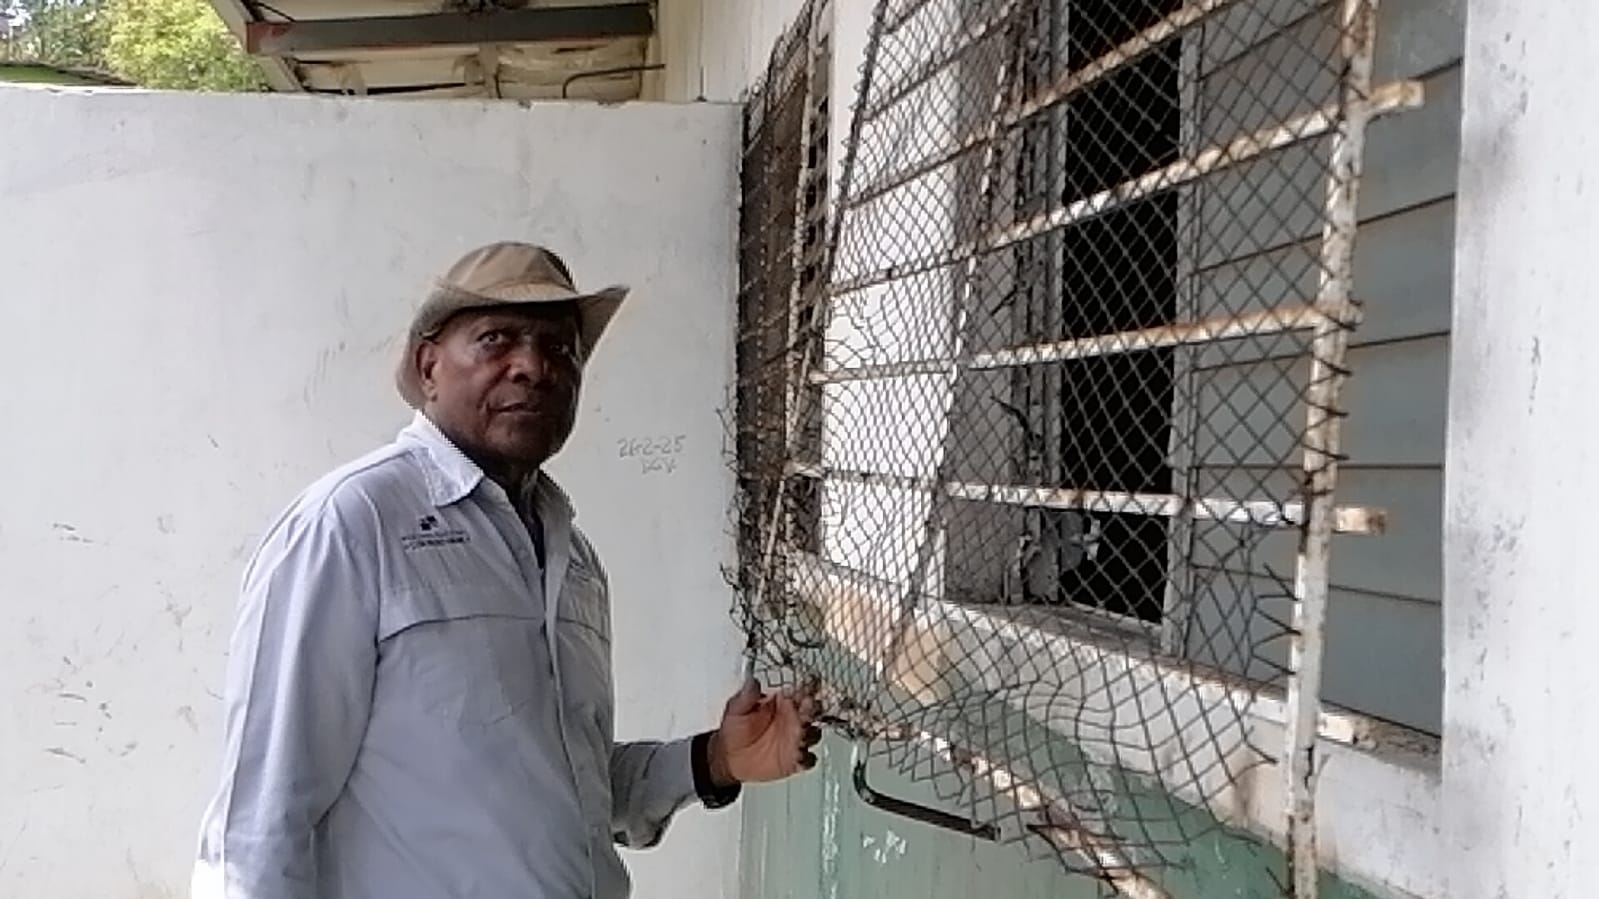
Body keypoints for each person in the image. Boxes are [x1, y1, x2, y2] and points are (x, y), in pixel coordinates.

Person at [192, 242, 820, 899]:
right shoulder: (352, 524)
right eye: (496, 339)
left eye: (559, 348)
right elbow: (257, 821)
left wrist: (714, 759)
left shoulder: (573, 557)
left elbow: (568, 785)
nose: (533, 366)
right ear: (428, 366)